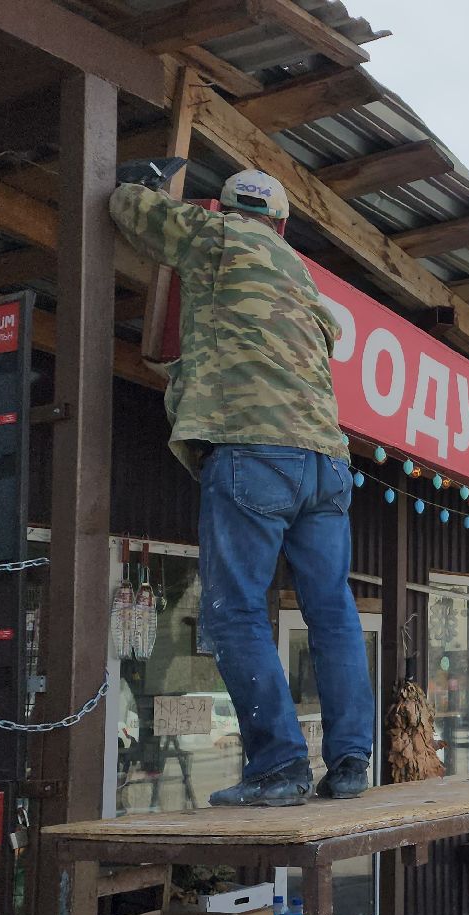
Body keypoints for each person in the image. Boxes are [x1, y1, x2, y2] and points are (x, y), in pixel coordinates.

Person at [110, 165, 372, 807]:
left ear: (227, 208)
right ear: (281, 223)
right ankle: (350, 762)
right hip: (327, 462)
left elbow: (131, 211)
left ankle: (281, 767)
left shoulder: (217, 235)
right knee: (333, 612)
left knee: (235, 614)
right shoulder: (304, 278)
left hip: (254, 448)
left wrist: (136, 179)